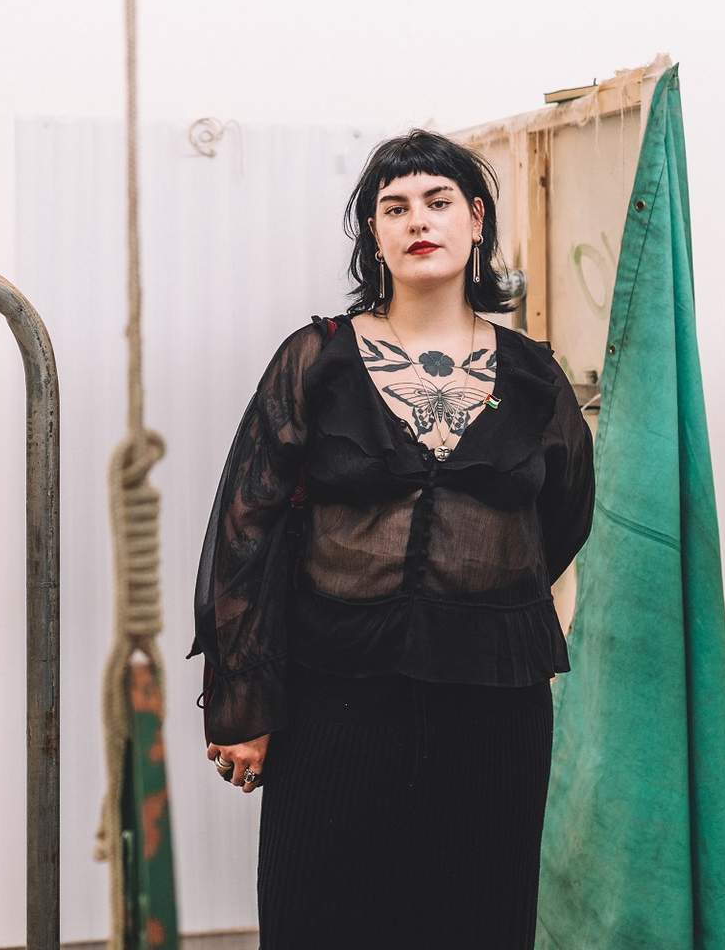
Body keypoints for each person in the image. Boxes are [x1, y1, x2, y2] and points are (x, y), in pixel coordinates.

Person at [188, 128, 596, 948]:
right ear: (374, 234)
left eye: (439, 202)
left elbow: (562, 517)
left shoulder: (532, 376)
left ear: (476, 220)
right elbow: (245, 533)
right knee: (323, 915)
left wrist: (472, 585)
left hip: (493, 701)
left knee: (477, 917)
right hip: (336, 693)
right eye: (395, 206)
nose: (419, 219)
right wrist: (244, 704)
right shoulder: (316, 361)